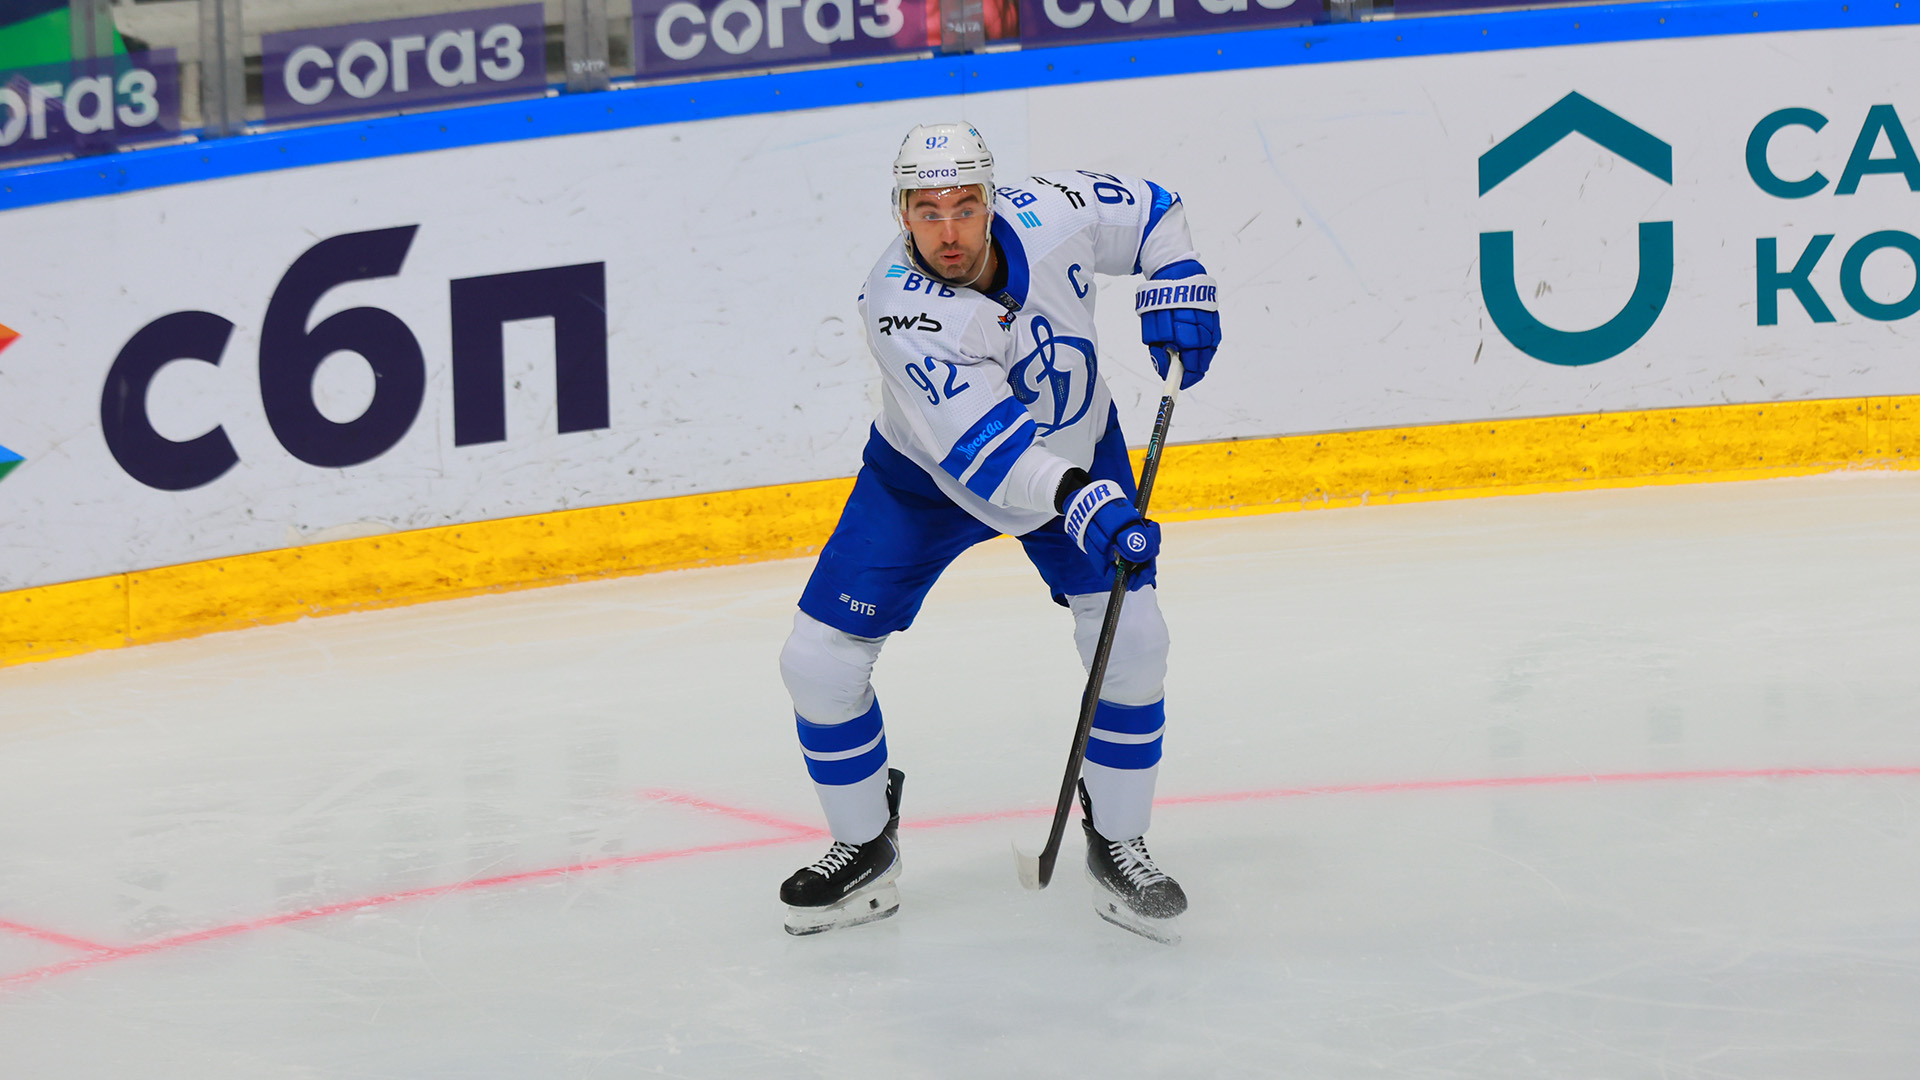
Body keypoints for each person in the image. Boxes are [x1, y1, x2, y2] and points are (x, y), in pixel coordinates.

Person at [776, 123, 1221, 941]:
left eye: (965, 207)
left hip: (1077, 450)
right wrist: (1085, 502)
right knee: (817, 661)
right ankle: (864, 842)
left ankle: (1119, 841)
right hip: (927, 481)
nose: (948, 231)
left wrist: (1179, 274)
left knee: (1135, 641)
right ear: (901, 214)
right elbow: (989, 458)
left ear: (992, 200)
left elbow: (1155, 210)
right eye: (927, 211)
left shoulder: (1056, 213)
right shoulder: (899, 309)